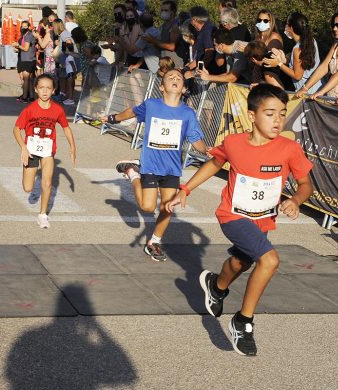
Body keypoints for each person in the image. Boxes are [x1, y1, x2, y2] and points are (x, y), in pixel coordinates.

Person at [166, 84, 313, 356]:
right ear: (252, 116)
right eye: (270, 114)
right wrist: (185, 190)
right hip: (232, 215)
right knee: (269, 260)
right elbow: (214, 163)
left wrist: (295, 200)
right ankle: (243, 322)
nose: (277, 120)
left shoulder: (289, 148)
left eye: (282, 114)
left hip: (262, 220)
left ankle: (216, 286)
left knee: (242, 261)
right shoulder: (234, 142)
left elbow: (306, 184)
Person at [103, 69, 208, 261]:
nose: (175, 79)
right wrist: (113, 118)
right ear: (162, 86)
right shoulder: (152, 105)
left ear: (184, 88)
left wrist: (207, 150)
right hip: (151, 165)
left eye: (179, 78)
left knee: (168, 207)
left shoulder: (187, 113)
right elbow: (132, 112)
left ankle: (154, 242)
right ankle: (132, 172)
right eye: (170, 77)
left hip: (171, 168)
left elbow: (196, 139)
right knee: (147, 207)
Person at [12, 74, 77, 229]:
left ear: (53, 90)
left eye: (48, 88)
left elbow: (66, 128)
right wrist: (23, 147)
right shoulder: (30, 109)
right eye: (41, 88)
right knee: (28, 187)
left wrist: (73, 147)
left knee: (47, 183)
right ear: (36, 89)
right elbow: (16, 129)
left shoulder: (57, 110)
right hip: (31, 150)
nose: (45, 91)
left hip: (48, 150)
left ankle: (42, 215)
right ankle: (32, 175)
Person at [295, 10, 338, 99]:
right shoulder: (336, 44)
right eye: (333, 25)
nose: (334, 28)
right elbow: (324, 66)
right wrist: (305, 88)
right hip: (330, 98)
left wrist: (321, 91)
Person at [263, 12, 322, 94]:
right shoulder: (311, 40)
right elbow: (302, 62)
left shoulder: (297, 49)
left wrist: (279, 64)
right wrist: (285, 60)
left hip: (306, 93)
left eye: (287, 24)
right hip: (318, 88)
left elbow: (297, 76)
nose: (285, 27)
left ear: (292, 27)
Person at [141, 0, 183, 68]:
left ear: (172, 12)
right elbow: (159, 45)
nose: (163, 12)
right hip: (165, 63)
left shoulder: (175, 26)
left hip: (175, 64)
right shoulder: (162, 26)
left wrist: (153, 40)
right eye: (162, 10)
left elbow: (172, 47)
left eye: (166, 10)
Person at [183, 7, 216, 73]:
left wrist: (199, 70)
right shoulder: (203, 30)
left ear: (194, 19)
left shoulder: (206, 31)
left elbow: (209, 52)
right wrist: (186, 68)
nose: (191, 22)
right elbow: (200, 57)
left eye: (190, 20)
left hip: (210, 71)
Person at [13, 20, 36, 102]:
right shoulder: (25, 35)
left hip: (28, 60)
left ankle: (25, 97)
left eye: (25, 26)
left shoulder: (28, 36)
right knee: (30, 79)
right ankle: (31, 97)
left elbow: (26, 48)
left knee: (26, 79)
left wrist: (18, 45)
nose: (23, 28)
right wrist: (18, 47)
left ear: (29, 27)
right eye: (22, 26)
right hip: (28, 59)